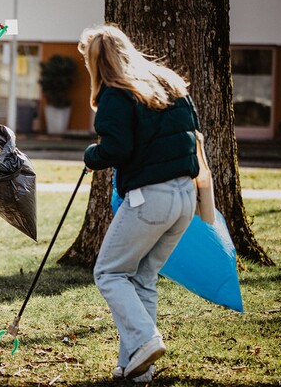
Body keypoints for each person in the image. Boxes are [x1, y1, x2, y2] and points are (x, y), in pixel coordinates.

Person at [78, 24, 199, 382]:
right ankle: (135, 368)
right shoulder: (168, 82)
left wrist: (91, 154)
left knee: (109, 272)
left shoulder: (117, 93)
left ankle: (146, 339)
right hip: (184, 197)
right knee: (142, 278)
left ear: (96, 60)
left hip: (151, 199)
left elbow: (117, 148)